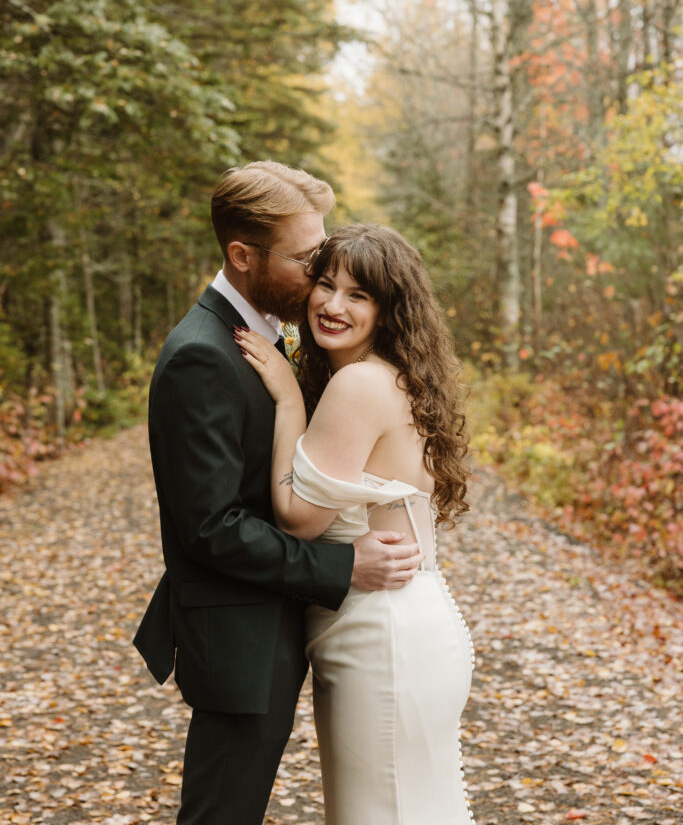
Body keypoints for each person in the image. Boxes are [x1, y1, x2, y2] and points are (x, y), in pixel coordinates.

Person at [133, 163, 424, 825]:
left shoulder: (262, 335)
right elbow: (210, 526)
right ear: (242, 256)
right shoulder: (201, 355)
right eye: (304, 259)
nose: (317, 275)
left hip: (273, 621)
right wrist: (345, 566)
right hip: (239, 634)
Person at [237, 222, 476, 825]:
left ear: (389, 309)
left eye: (358, 294)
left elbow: (298, 521)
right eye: (326, 284)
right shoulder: (397, 375)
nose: (332, 305)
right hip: (404, 621)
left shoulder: (359, 383)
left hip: (382, 634)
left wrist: (289, 402)